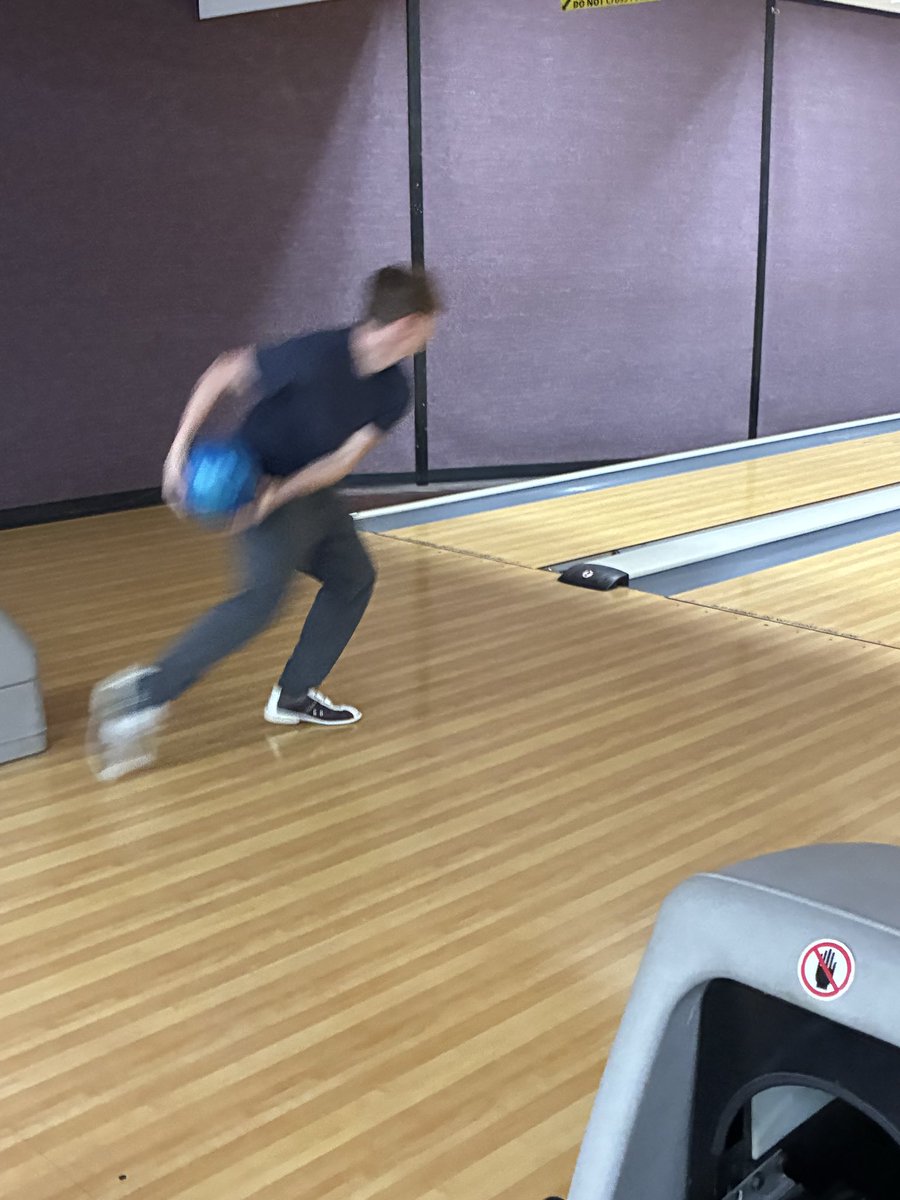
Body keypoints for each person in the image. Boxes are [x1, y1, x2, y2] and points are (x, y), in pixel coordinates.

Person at [88, 264, 440, 781]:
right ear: (408, 323)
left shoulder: (393, 391)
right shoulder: (319, 354)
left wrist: (281, 495)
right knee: (259, 602)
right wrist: (177, 452)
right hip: (250, 476)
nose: (434, 331)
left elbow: (342, 460)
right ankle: (141, 697)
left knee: (353, 578)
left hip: (302, 489)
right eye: (431, 322)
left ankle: (295, 695)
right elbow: (223, 372)